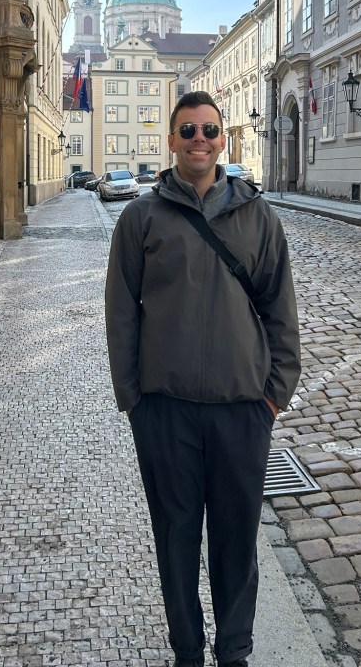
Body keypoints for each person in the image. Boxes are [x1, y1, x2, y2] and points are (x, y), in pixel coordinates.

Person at [105, 91, 301, 667]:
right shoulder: (141, 217)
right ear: (171, 140)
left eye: (209, 130)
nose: (199, 140)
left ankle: (234, 650)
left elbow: (280, 308)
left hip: (242, 410)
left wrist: (273, 396)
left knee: (237, 542)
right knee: (176, 538)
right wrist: (134, 401)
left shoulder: (257, 216)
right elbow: (121, 310)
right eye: (188, 130)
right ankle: (187, 651)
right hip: (165, 411)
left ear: (223, 140)